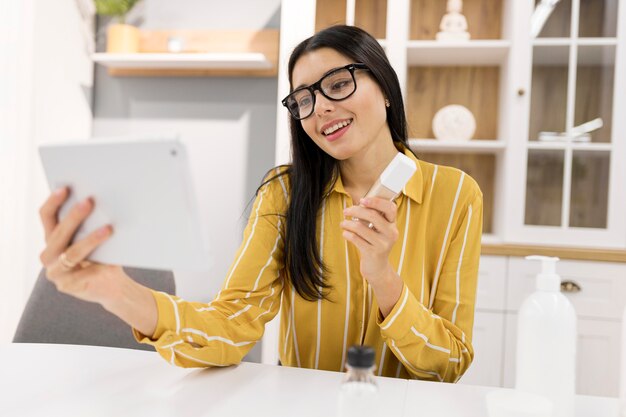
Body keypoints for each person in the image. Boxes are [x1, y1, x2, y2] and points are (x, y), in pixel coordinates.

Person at [38, 25, 483, 382]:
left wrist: (384, 278)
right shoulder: (285, 194)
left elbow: (450, 364)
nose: (321, 108)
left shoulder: (457, 194)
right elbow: (232, 324)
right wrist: (119, 293)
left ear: (385, 87)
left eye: (338, 84)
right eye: (303, 100)